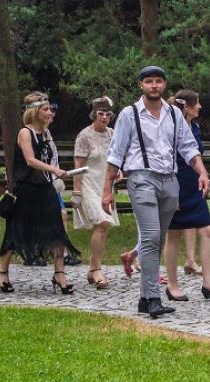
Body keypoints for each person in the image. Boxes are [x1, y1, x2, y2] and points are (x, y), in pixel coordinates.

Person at [103, 66, 209, 318]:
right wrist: (107, 190)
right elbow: (116, 152)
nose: (154, 86)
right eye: (149, 81)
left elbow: (188, 146)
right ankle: (152, 297)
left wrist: (202, 173)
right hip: (141, 178)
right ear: (141, 85)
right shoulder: (130, 114)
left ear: (164, 85)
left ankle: (143, 298)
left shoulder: (174, 114)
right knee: (150, 236)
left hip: (170, 180)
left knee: (158, 238)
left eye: (158, 81)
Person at [0, 92, 80, 295]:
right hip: (26, 189)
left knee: (57, 232)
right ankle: (2, 272)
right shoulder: (25, 133)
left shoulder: (46, 134)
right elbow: (30, 160)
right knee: (17, 233)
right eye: (45, 109)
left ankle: (60, 274)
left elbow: (49, 159)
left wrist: (56, 172)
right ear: (34, 112)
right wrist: (54, 171)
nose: (50, 112)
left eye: (50, 109)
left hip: (46, 188)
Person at [161, 89, 210, 301]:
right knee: (173, 233)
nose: (200, 107)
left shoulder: (195, 127)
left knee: (207, 228)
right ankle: (172, 285)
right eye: (197, 103)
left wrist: (203, 175)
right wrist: (172, 193)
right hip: (175, 183)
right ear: (187, 106)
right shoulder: (169, 126)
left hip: (194, 184)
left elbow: (196, 154)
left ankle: (208, 282)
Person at [72, 96, 120, 290]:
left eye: (108, 114)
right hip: (88, 184)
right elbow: (78, 164)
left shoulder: (112, 134)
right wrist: (76, 191)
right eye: (101, 114)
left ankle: (92, 269)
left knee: (104, 226)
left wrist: (119, 172)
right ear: (94, 115)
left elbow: (117, 158)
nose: (105, 117)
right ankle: (97, 269)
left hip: (105, 184)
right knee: (102, 223)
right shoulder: (84, 136)